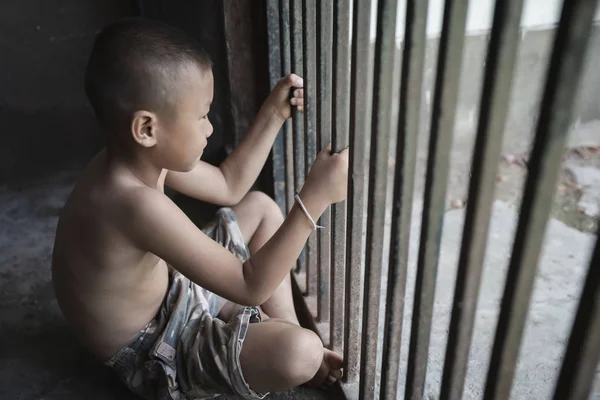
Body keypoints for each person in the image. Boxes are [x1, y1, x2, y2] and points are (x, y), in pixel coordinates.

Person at [51, 17, 349, 400]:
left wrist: (273, 115)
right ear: (146, 129)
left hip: (172, 289)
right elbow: (249, 284)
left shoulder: (135, 158)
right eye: (202, 115)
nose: (210, 129)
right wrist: (316, 197)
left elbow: (229, 185)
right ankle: (286, 347)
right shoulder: (130, 201)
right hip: (155, 345)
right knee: (300, 352)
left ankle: (281, 326)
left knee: (259, 207)